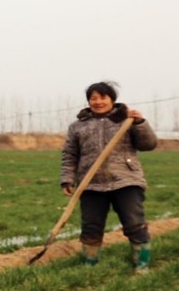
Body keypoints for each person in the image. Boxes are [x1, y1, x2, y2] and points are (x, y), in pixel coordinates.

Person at [60, 80, 157, 271]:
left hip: (125, 180)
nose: (98, 102)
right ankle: (90, 264)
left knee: (134, 223)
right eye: (93, 98)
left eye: (103, 97)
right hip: (91, 183)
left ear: (112, 99)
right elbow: (69, 155)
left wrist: (140, 123)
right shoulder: (78, 126)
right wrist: (67, 179)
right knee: (91, 226)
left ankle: (141, 264)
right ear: (88, 101)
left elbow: (148, 144)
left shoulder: (126, 120)